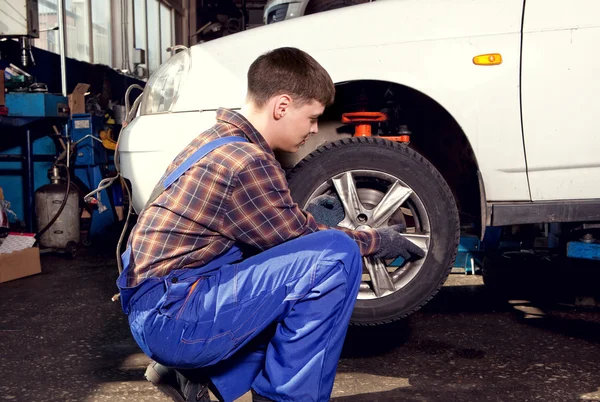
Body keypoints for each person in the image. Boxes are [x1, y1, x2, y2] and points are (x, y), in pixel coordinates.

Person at [116, 47, 424, 402]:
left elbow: (264, 232)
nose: (313, 129)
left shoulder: (215, 140)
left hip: (159, 309)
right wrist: (375, 240)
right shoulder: (247, 161)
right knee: (337, 258)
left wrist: (314, 219)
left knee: (298, 284)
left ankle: (201, 378)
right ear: (281, 106)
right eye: (312, 118)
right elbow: (300, 238)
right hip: (175, 318)